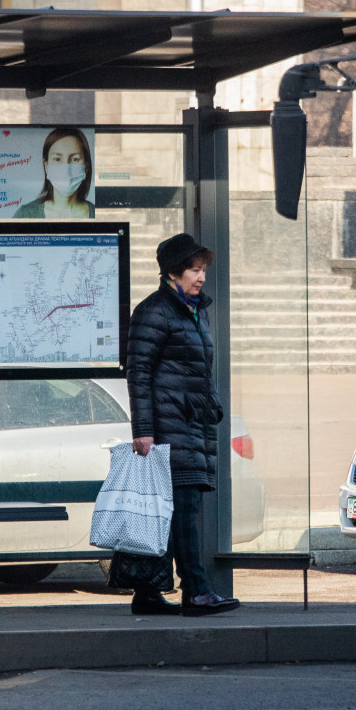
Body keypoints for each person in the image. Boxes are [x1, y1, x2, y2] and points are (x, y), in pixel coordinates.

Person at [126, 233, 240, 617]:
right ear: (172, 271)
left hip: (191, 424)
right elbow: (138, 373)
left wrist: (213, 405)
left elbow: (199, 371)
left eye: (203, 269)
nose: (201, 276)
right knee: (183, 509)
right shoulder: (154, 311)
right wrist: (143, 429)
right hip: (167, 429)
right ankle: (196, 591)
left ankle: (146, 593)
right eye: (194, 269)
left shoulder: (194, 310)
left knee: (169, 511)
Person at [13, 128, 96, 218]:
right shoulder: (26, 215)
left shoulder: (98, 215)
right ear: (46, 166)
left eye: (75, 159)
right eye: (57, 159)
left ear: (86, 168)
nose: (66, 169)